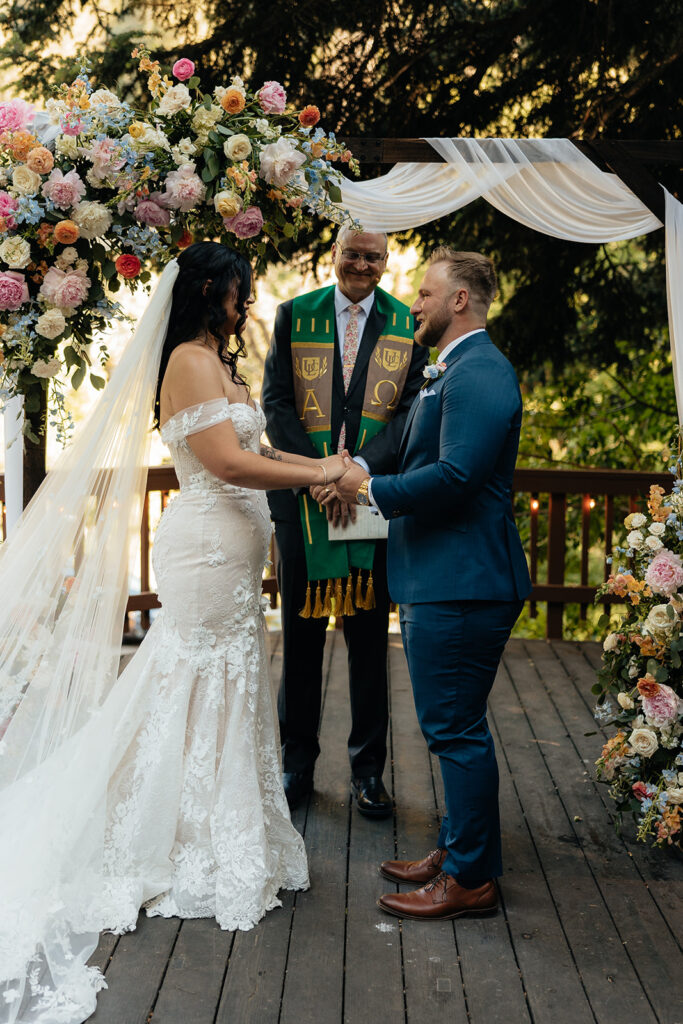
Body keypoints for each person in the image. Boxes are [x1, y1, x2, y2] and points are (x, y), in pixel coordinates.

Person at [0, 243, 350, 1023]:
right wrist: (321, 476)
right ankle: (167, 837)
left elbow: (259, 449)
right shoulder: (189, 363)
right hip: (201, 550)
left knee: (221, 681)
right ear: (205, 293)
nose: (243, 296)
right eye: (234, 287)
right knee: (190, 677)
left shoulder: (220, 364)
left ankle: (215, 827)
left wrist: (323, 463)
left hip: (230, 555)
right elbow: (226, 464)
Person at [334, 247, 532, 919]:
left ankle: (471, 879)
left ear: (458, 301)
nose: (411, 302)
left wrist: (369, 489)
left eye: (423, 292)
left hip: (463, 580)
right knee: (451, 726)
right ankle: (456, 848)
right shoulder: (447, 368)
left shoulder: (479, 373)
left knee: (454, 730)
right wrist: (359, 464)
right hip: (440, 576)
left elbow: (456, 478)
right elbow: (407, 447)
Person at [261, 226, 428, 816]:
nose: (362, 263)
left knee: (366, 646)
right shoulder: (294, 315)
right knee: (301, 642)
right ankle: (296, 765)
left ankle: (367, 772)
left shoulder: (408, 324)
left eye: (373, 256)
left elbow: (407, 413)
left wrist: (354, 471)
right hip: (304, 502)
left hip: (368, 498)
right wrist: (318, 474)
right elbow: (276, 403)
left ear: (386, 262)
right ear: (336, 256)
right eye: (352, 253)